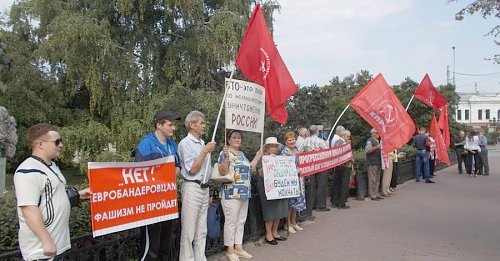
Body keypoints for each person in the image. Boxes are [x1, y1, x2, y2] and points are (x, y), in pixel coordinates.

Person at [14, 123, 91, 261]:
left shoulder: (52, 166)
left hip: (57, 246)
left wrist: (79, 195)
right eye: (57, 142)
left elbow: (52, 197)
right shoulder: (28, 171)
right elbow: (28, 209)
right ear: (40, 144)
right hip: (41, 252)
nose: (61, 145)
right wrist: (46, 241)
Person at [135, 108, 182, 261]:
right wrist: (161, 179)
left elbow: (178, 166)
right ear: (159, 125)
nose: (173, 128)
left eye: (174, 125)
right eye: (170, 124)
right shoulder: (146, 144)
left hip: (168, 201)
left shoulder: (172, 145)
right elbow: (139, 172)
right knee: (151, 248)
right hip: (151, 203)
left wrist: (169, 177)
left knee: (165, 245)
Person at [217, 129, 262, 261]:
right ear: (229, 140)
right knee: (231, 222)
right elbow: (223, 171)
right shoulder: (225, 153)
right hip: (230, 192)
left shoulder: (241, 154)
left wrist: (258, 156)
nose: (237, 139)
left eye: (239, 138)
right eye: (234, 137)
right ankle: (230, 250)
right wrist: (225, 157)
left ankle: (238, 247)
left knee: (241, 221)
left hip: (244, 192)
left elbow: (250, 169)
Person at [178, 111, 216, 261]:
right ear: (192, 125)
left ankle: (201, 258)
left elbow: (207, 171)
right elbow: (192, 170)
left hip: (203, 188)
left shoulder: (202, 143)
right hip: (192, 188)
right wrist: (205, 151)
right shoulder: (185, 144)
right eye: (201, 123)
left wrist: (208, 190)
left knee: (202, 230)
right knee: (189, 231)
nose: (204, 125)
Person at [256, 137, 289, 245]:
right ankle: (268, 234)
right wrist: (268, 161)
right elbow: (260, 173)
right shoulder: (262, 159)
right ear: (267, 148)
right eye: (272, 146)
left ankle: (275, 232)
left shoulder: (279, 158)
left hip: (277, 189)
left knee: (278, 210)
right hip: (267, 189)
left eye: (275, 146)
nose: (274, 148)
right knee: (270, 211)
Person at [280, 131, 306, 233]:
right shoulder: (284, 153)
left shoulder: (296, 150)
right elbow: (284, 167)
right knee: (290, 203)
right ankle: (288, 224)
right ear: (286, 142)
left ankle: (294, 222)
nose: (292, 141)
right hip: (289, 181)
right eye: (289, 140)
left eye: (293, 139)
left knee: (296, 202)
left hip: (298, 179)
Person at [303, 125, 330, 211]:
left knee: (312, 184)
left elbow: (300, 151)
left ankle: (312, 204)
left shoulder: (306, 141)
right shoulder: (320, 141)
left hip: (310, 165)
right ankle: (321, 205)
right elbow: (327, 152)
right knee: (322, 184)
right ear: (317, 131)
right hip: (321, 165)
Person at [331, 129, 352, 209]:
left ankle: (334, 201)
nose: (349, 138)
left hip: (338, 165)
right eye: (348, 136)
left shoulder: (336, 142)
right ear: (343, 135)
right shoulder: (344, 143)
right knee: (344, 184)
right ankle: (341, 203)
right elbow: (346, 154)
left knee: (337, 184)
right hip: (344, 165)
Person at [365, 128, 384, 201]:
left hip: (378, 162)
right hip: (372, 162)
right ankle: (372, 195)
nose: (378, 134)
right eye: (377, 133)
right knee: (372, 179)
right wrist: (376, 147)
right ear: (373, 133)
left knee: (377, 179)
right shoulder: (370, 141)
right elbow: (367, 151)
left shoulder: (377, 141)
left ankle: (376, 193)